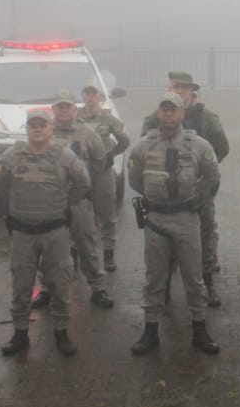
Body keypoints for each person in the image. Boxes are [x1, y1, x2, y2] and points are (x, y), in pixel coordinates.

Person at [128, 91, 221, 356]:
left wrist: (192, 198)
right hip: (156, 220)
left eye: (174, 110)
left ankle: (200, 330)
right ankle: (150, 332)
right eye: (164, 110)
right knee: (154, 279)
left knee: (193, 278)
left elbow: (212, 177)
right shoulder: (144, 145)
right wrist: (155, 198)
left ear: (182, 113)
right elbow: (135, 179)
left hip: (186, 219)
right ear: (159, 113)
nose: (169, 114)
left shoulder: (199, 145)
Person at [0, 107, 92, 357]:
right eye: (32, 125)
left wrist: (62, 203)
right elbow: (0, 183)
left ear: (50, 128)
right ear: (26, 129)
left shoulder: (65, 157)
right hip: (23, 233)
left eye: (42, 125)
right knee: (21, 284)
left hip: (55, 232)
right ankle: (20, 333)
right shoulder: (10, 156)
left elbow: (83, 184)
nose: (37, 129)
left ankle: (61, 331)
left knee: (60, 283)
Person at [141, 71, 229, 306]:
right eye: (175, 86)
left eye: (184, 87)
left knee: (206, 233)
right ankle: (165, 286)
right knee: (162, 241)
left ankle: (207, 282)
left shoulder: (207, 118)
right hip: (164, 196)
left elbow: (221, 147)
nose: (179, 90)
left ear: (192, 91)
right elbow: (143, 153)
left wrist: (200, 175)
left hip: (198, 192)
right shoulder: (154, 118)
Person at [47, 89, 113, 309]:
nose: (64, 111)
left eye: (68, 107)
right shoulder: (44, 132)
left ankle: (98, 288)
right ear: (53, 110)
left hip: (78, 201)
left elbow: (99, 161)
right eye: (59, 107)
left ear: (75, 109)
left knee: (87, 244)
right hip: (50, 202)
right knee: (48, 248)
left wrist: (85, 184)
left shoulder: (87, 134)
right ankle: (46, 289)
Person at [79, 84, 131, 273]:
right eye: (87, 94)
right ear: (83, 96)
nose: (90, 98)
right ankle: (78, 252)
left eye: (94, 94)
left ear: (99, 97)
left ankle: (108, 254)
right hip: (81, 173)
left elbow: (125, 140)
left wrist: (112, 155)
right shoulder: (76, 118)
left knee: (107, 215)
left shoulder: (108, 118)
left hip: (102, 172)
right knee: (78, 214)